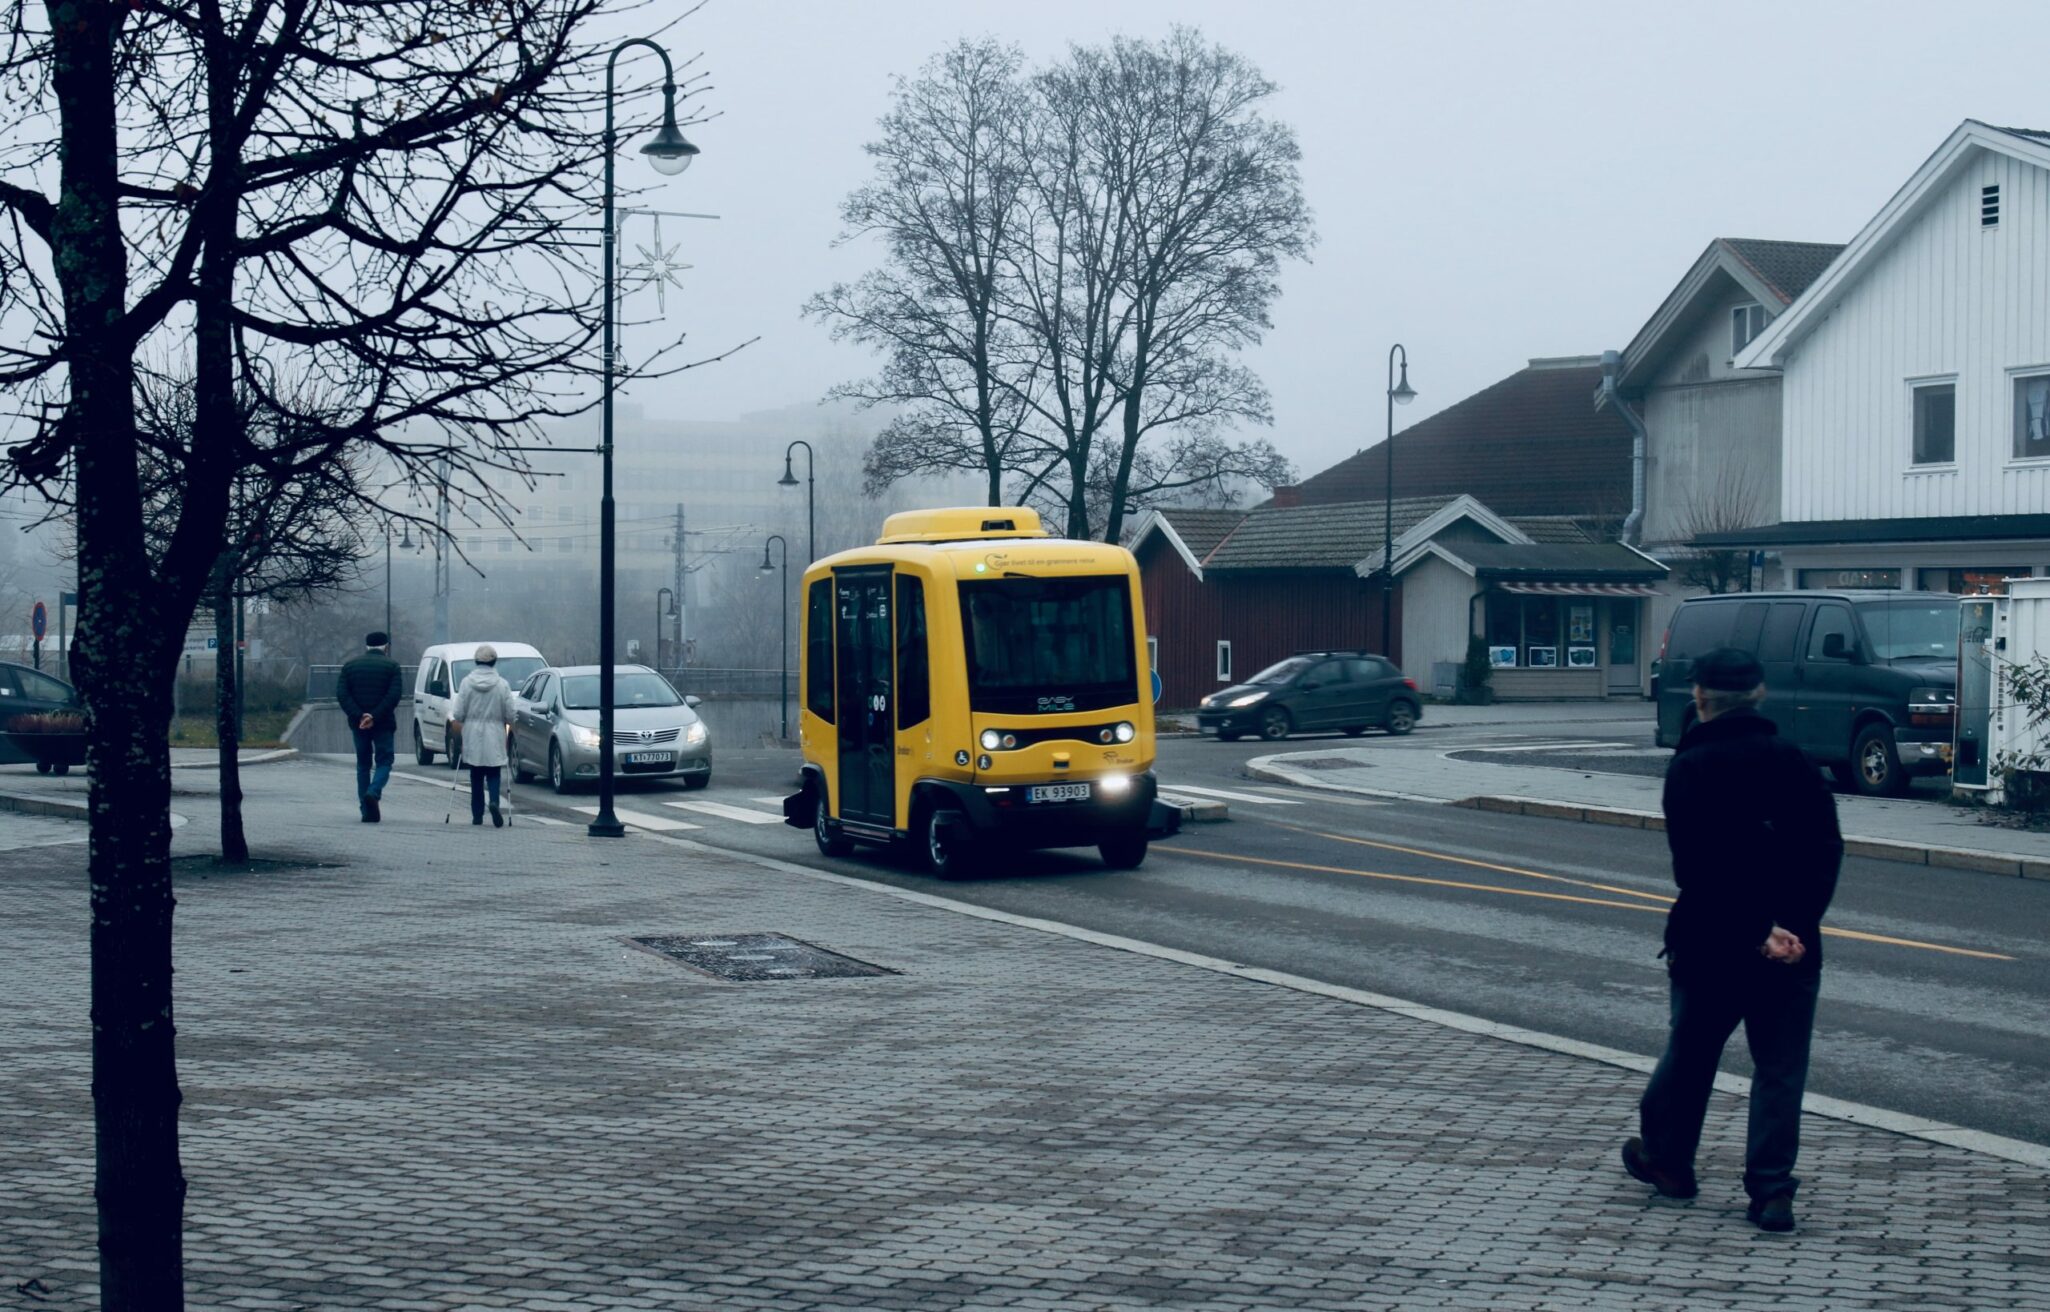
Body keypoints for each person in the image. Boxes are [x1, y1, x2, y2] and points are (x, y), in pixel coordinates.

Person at [1623, 647, 1843, 1233]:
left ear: (1699, 698)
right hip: (1792, 947)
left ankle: (1669, 1162)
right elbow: (1823, 850)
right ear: (1759, 695)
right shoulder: (1792, 761)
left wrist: (1753, 930)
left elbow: (1698, 868)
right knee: (1779, 1069)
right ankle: (1771, 1192)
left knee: (1690, 1054)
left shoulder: (1692, 767)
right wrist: (1790, 926)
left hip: (1710, 941)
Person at [336, 630, 403, 823]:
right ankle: (373, 792)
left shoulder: (350, 666)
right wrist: (374, 715)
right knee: (384, 761)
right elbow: (393, 695)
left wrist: (360, 716)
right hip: (383, 723)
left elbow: (342, 694)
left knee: (363, 765)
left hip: (358, 724)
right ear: (386, 646)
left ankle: (366, 810)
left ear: (366, 646)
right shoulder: (392, 666)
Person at [448, 644, 515, 828]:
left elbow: (459, 713)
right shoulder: (502, 684)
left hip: (472, 733)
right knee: (494, 773)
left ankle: (477, 814)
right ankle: (494, 801)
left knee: (476, 775)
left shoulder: (466, 683)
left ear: (476, 662)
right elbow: (510, 714)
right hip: (495, 733)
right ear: (494, 662)